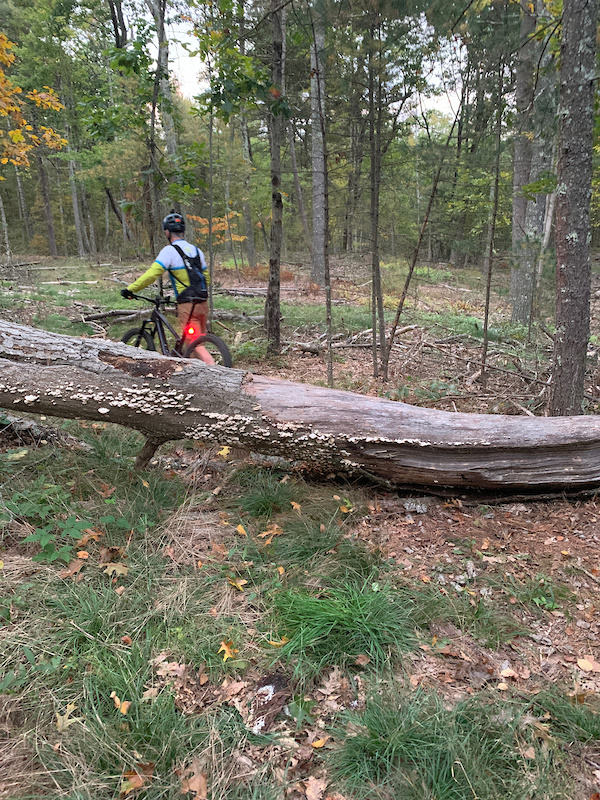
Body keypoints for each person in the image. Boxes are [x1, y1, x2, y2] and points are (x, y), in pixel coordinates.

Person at [121, 212, 214, 364]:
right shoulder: (197, 251)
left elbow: (152, 274)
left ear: (167, 232)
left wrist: (131, 289)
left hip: (187, 304)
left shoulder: (169, 251)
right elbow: (206, 277)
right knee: (196, 344)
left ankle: (218, 372)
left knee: (195, 344)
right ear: (183, 231)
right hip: (202, 302)